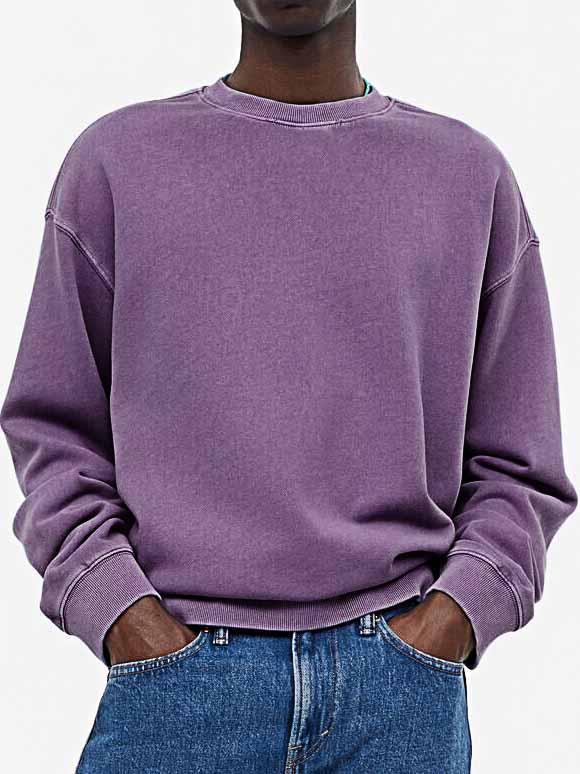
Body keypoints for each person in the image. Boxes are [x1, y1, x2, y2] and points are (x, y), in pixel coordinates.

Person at [1, 1, 576, 772]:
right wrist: (120, 610)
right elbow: (53, 429)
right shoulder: (117, 163)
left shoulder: (467, 177)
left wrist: (457, 614)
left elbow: (519, 461)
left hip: (399, 685)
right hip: (176, 684)